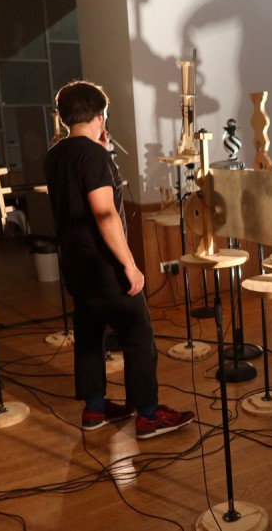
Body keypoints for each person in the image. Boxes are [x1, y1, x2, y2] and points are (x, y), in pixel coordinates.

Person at [45, 80, 194, 438]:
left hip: (74, 263)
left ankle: (95, 408)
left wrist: (100, 154)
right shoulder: (93, 156)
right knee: (138, 332)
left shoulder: (55, 155)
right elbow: (104, 213)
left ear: (64, 117)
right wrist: (129, 264)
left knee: (89, 332)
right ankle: (148, 415)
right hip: (102, 264)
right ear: (101, 115)